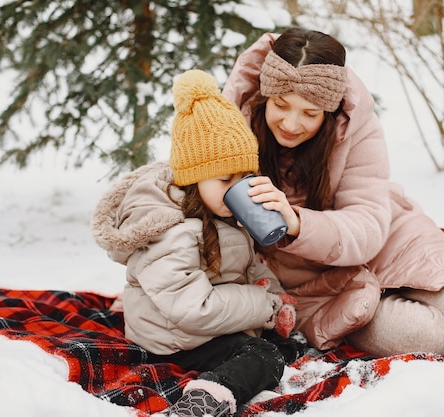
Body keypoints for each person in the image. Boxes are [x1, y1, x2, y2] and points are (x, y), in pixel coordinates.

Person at [221, 27, 444, 356]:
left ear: (330, 110)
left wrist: (297, 222)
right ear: (265, 96)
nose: (291, 124)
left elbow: (367, 223)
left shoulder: (354, 128)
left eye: (310, 113)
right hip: (316, 288)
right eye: (281, 105)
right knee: (426, 337)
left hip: (388, 242)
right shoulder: (229, 128)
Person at [92, 69, 301, 417]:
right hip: (174, 337)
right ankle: (206, 401)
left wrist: (273, 292)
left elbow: (248, 265)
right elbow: (192, 309)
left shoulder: (220, 210)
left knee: (283, 346)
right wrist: (264, 306)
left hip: (206, 323)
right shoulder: (171, 231)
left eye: (244, 177)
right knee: (262, 357)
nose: (237, 188)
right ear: (193, 177)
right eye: (224, 178)